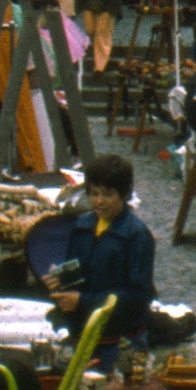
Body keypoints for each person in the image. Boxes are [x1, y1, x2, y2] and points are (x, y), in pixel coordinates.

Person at [44, 154, 155, 372]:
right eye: (94, 194)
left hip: (121, 341)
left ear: (123, 195)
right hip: (84, 335)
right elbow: (74, 271)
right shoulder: (83, 226)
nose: (99, 201)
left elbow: (137, 295)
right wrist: (59, 282)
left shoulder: (137, 235)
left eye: (108, 194)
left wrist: (83, 301)